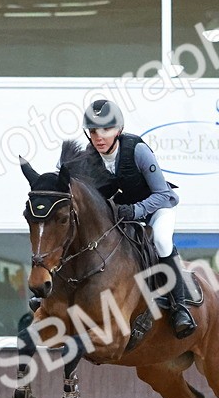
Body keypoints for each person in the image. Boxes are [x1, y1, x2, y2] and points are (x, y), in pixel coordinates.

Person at [81, 98, 196, 339]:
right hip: (122, 216)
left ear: (119, 130)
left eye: (106, 129)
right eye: (93, 131)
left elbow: (164, 194)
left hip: (156, 210)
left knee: (162, 241)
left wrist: (136, 210)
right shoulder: (88, 159)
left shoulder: (137, 151)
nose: (99, 137)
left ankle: (180, 307)